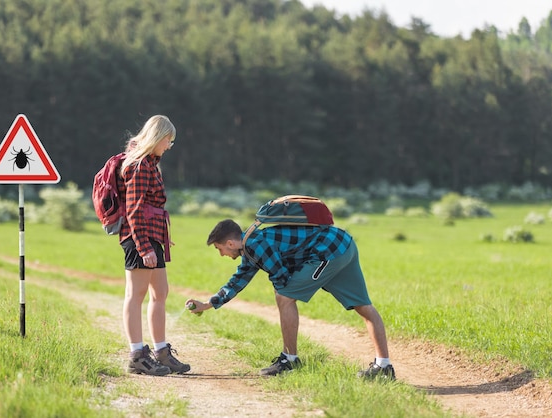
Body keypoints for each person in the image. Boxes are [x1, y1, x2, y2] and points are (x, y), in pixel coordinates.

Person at [185, 218, 395, 379]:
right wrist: (207, 304)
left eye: (219, 249)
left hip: (328, 252)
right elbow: (237, 281)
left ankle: (289, 360)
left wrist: (286, 282)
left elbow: (281, 276)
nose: (221, 254)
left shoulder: (255, 245)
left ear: (230, 243)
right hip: (343, 243)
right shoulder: (251, 243)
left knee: (283, 296)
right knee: (363, 306)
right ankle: (384, 365)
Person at [117, 115, 189, 376]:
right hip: (139, 237)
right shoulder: (138, 166)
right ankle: (137, 355)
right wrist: (144, 247)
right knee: (135, 295)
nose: (170, 146)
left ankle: (161, 352)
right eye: (169, 140)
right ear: (158, 137)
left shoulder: (150, 163)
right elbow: (134, 210)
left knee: (160, 293)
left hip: (153, 236)